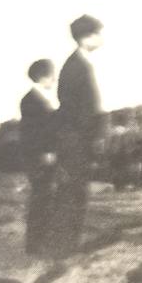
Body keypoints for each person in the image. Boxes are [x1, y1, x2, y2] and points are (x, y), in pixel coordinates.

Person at [47, 15, 103, 259]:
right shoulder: (76, 66)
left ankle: (66, 245)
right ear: (85, 37)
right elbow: (72, 107)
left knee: (73, 192)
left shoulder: (77, 64)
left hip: (75, 138)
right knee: (72, 192)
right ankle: (63, 246)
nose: (101, 38)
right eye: (97, 33)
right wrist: (88, 134)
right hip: (75, 140)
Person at [18, 59, 59, 256]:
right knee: (41, 200)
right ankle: (36, 245)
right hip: (40, 158)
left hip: (41, 157)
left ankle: (39, 243)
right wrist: (46, 152)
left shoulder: (37, 98)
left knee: (44, 200)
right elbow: (33, 133)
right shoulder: (32, 101)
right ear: (44, 76)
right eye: (53, 75)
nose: (55, 79)